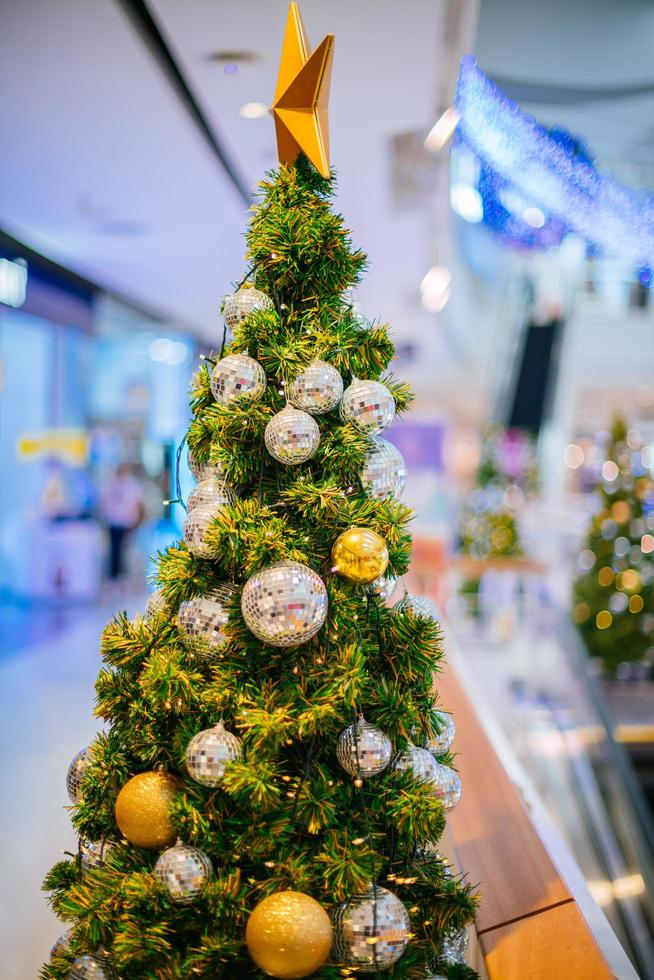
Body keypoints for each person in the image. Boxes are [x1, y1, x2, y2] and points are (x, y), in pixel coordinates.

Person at [100, 464, 144, 581]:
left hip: (128, 523)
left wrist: (135, 519)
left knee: (128, 550)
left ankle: (126, 575)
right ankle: (115, 575)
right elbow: (104, 500)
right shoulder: (111, 483)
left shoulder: (132, 484)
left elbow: (137, 503)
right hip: (114, 522)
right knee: (114, 550)